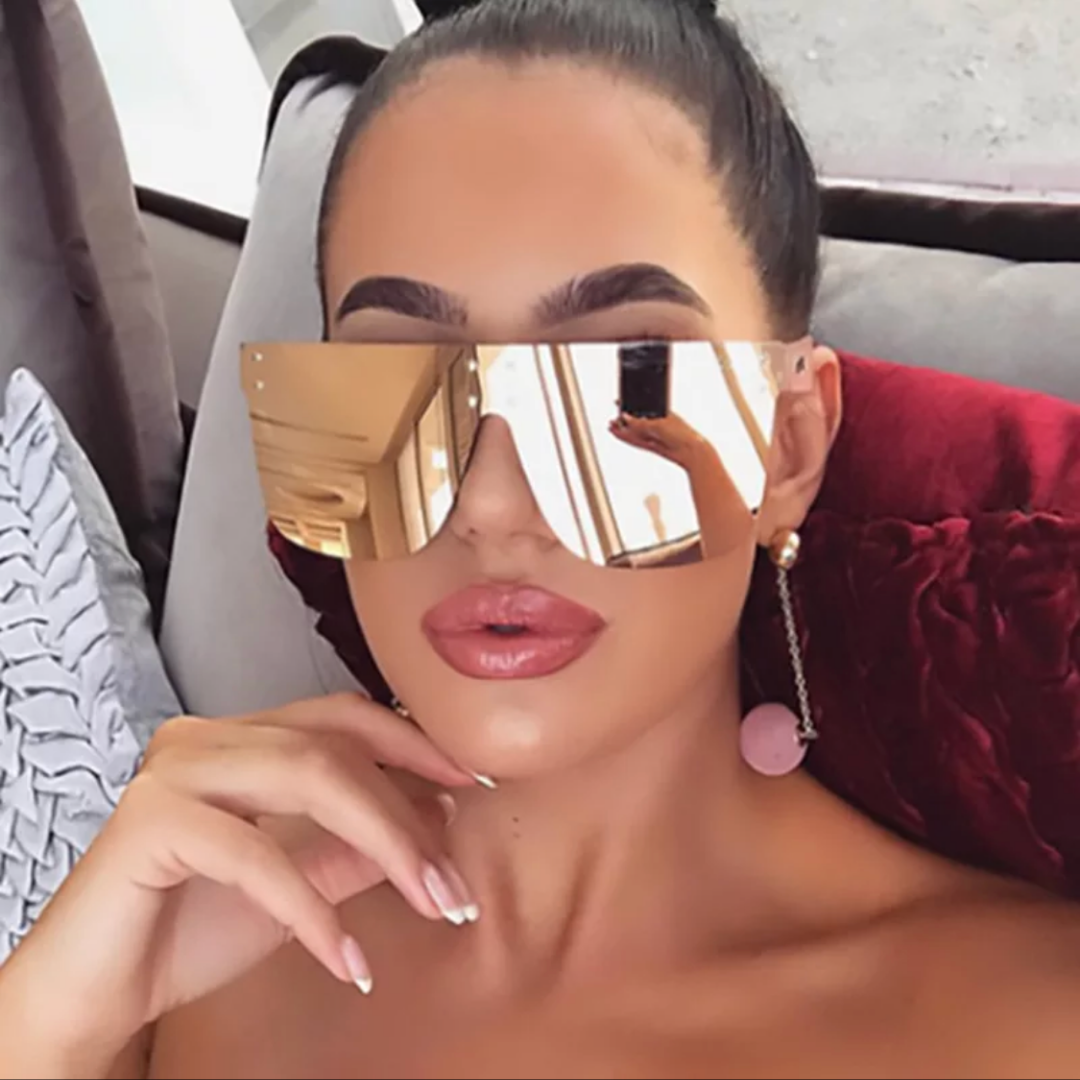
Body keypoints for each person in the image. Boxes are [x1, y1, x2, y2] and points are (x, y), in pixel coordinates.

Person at [2, 1, 1079, 1077]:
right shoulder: (190, 949)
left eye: (627, 377)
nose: (491, 502)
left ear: (788, 448)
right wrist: (47, 1026)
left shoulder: (1022, 1027)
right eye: (393, 380)